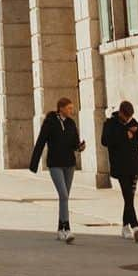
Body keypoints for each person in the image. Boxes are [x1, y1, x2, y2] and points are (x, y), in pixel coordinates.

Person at [29, 97, 85, 242]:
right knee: (64, 195)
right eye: (69, 108)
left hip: (69, 164)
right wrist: (34, 164)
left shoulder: (72, 123)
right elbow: (41, 141)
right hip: (55, 165)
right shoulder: (50, 122)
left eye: (72, 108)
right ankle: (67, 229)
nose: (71, 111)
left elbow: (74, 144)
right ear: (61, 108)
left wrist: (80, 147)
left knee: (64, 198)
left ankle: (60, 230)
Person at [101, 101, 138, 241]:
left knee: (129, 198)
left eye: (130, 117)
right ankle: (135, 226)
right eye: (126, 116)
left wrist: (136, 132)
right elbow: (105, 141)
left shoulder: (134, 123)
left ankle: (125, 226)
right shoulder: (110, 123)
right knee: (127, 195)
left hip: (133, 165)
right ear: (120, 112)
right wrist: (124, 136)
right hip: (120, 166)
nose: (128, 119)